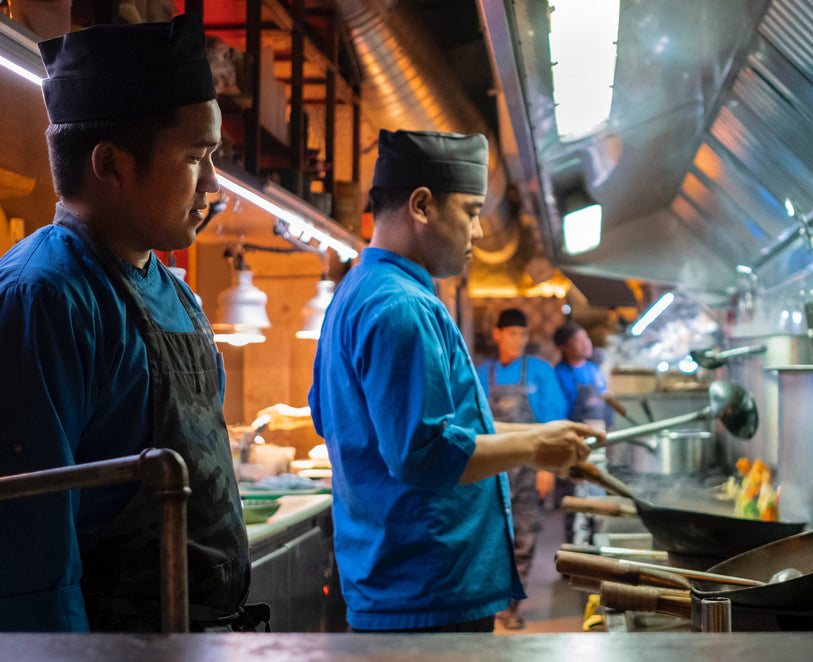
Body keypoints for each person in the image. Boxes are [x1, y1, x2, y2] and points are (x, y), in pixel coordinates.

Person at [0, 15, 254, 632]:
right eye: (197, 157)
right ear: (110, 164)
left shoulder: (178, 294)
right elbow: (31, 549)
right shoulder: (45, 297)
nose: (214, 185)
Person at [308, 129, 601, 633]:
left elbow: (425, 429)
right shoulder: (401, 307)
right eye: (470, 211)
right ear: (422, 205)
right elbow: (423, 453)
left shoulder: (357, 292)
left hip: (400, 582)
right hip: (423, 589)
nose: (481, 232)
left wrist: (541, 437)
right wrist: (533, 449)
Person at [475, 308, 568, 629]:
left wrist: (548, 469)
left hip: (529, 469)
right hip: (489, 471)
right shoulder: (480, 372)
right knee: (491, 538)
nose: (518, 339)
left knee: (524, 537)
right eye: (512, 333)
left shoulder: (540, 372)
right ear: (498, 334)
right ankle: (492, 603)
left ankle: (512, 606)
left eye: (523, 334)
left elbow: (554, 422)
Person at [553, 322, 614, 544]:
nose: (587, 344)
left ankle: (596, 550)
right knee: (577, 502)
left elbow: (606, 402)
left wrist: (611, 430)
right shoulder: (559, 375)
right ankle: (576, 557)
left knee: (598, 498)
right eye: (579, 340)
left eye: (586, 338)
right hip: (575, 444)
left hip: (598, 443)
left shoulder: (594, 370)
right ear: (565, 347)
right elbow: (557, 414)